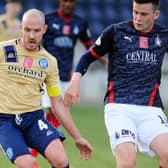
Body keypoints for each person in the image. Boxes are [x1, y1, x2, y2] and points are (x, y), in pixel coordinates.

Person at [64, 0, 168, 168]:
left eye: (143, 14)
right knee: (127, 163)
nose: (137, 18)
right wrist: (75, 80)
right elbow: (87, 57)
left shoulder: (163, 35)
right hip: (119, 107)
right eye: (135, 12)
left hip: (150, 109)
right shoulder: (116, 32)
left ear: (156, 15)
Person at [0, 8, 92, 168]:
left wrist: (77, 137)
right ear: (21, 28)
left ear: (44, 29)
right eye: (27, 30)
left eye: (36, 31)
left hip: (33, 119)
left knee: (60, 160)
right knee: (27, 163)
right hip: (5, 121)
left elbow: (56, 101)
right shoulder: (3, 50)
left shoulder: (49, 61)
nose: (31, 35)